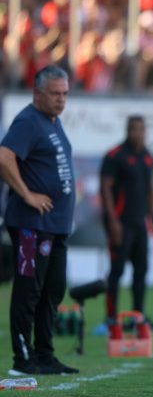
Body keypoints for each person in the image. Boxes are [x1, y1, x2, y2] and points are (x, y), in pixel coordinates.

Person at [0, 65, 78, 375]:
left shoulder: (52, 122)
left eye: (65, 94)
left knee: (53, 290)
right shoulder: (28, 121)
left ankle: (45, 354)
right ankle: (23, 358)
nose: (61, 100)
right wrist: (27, 194)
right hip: (33, 226)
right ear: (38, 94)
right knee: (29, 290)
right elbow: (4, 157)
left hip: (54, 226)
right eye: (55, 94)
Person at [100, 115, 153, 339]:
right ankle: (110, 319)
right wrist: (113, 222)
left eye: (141, 129)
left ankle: (138, 318)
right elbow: (105, 189)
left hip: (139, 225)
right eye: (134, 129)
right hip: (121, 223)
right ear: (128, 130)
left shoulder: (147, 157)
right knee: (116, 272)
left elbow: (150, 189)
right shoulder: (115, 156)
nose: (138, 133)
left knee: (141, 271)